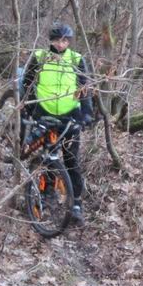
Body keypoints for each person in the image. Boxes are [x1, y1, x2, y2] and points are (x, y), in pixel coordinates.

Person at [21, 23, 94, 224]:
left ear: (69, 41)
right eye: (57, 40)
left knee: (71, 160)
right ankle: (47, 193)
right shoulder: (40, 57)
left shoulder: (77, 60)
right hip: (44, 114)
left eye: (64, 40)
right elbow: (27, 83)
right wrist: (26, 106)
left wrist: (87, 113)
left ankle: (77, 204)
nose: (60, 45)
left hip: (70, 116)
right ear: (50, 41)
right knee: (48, 157)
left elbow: (85, 88)